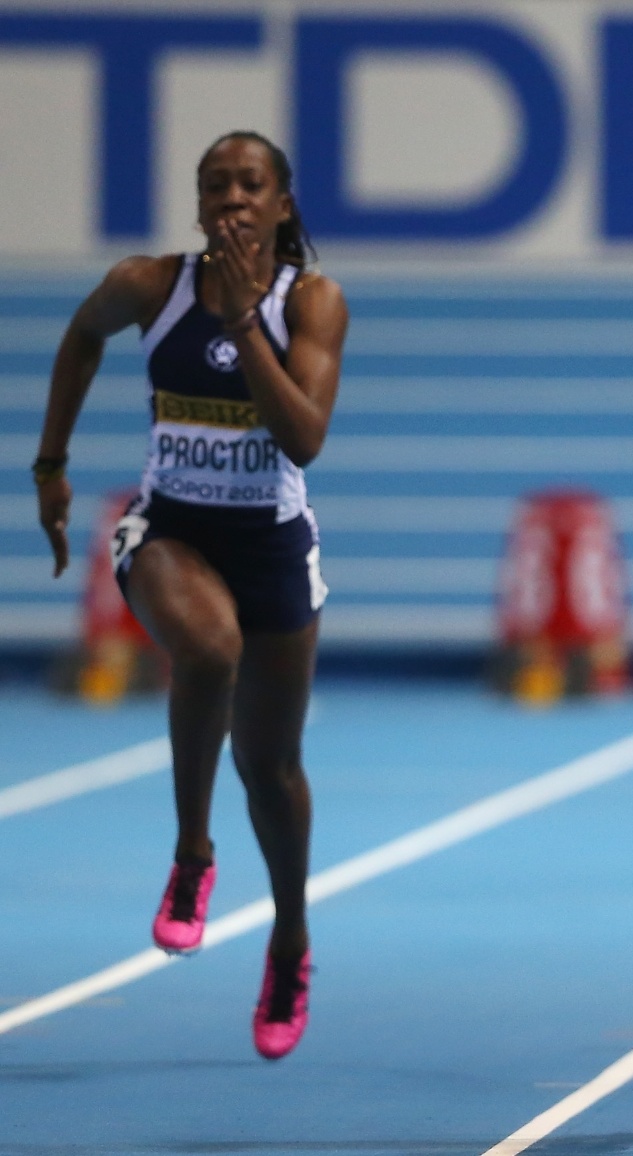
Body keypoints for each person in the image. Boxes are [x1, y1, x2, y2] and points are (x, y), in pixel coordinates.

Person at [34, 131, 348, 1059]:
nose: (233, 201)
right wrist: (51, 464)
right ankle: (191, 856)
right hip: (170, 529)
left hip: (273, 546)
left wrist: (249, 319)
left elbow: (303, 439)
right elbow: (81, 336)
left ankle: (289, 936)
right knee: (206, 650)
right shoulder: (149, 285)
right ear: (200, 203)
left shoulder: (313, 303)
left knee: (273, 768)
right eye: (216, 185)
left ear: (283, 205)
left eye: (251, 186)